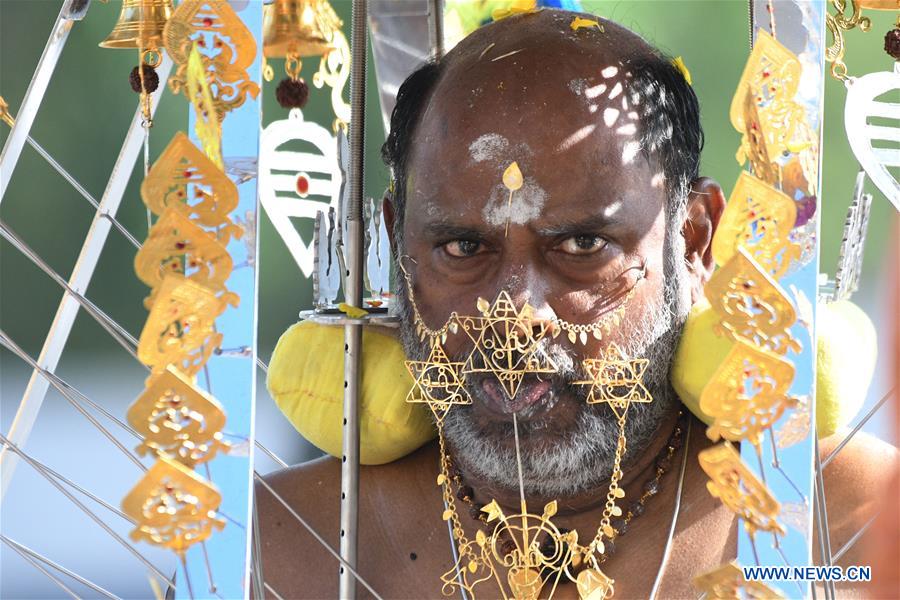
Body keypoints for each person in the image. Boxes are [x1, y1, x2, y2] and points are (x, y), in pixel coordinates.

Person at [256, 10, 898, 598]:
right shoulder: (272, 552)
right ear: (400, 243)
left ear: (695, 240)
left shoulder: (854, 530)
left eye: (582, 244)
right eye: (462, 246)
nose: (515, 311)